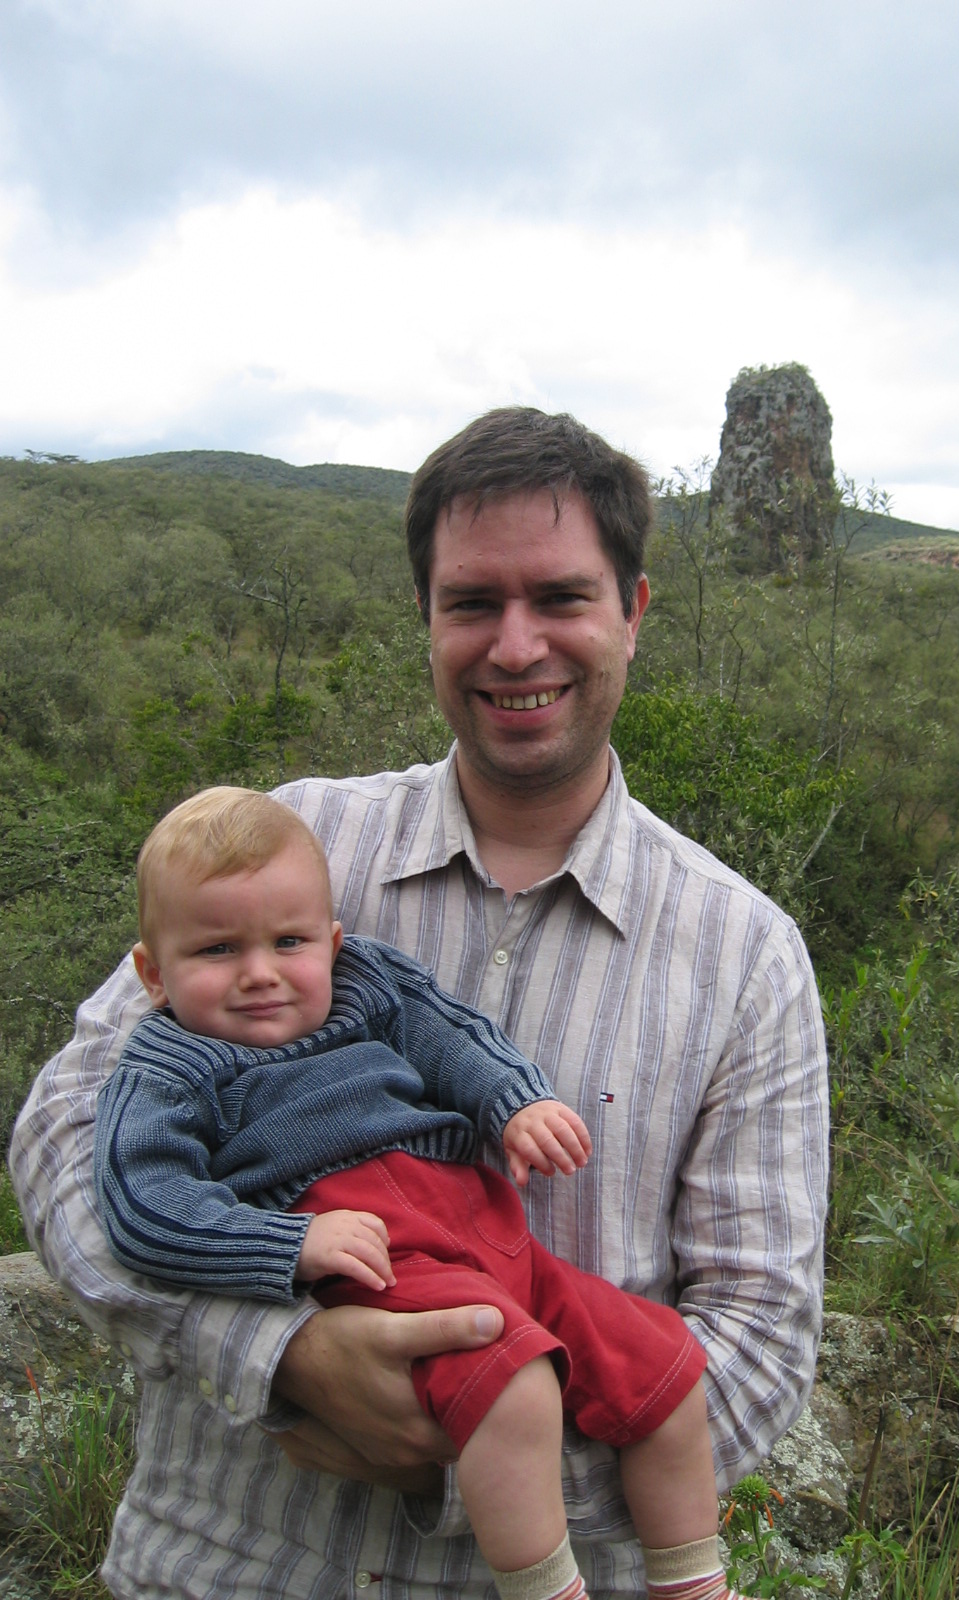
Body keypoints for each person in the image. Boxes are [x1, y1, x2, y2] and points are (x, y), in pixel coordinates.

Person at [10, 406, 829, 1600]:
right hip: (220, 1568)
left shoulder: (745, 954)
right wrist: (278, 1349)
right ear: (427, 618)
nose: (516, 645)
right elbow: (63, 1133)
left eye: (561, 597)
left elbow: (757, 1347)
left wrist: (464, 1453)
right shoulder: (284, 848)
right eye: (472, 602)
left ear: (633, 613)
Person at [96, 783, 733, 1600]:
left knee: (664, 1366)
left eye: (289, 942)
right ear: (153, 974)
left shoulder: (364, 981)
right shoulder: (168, 1067)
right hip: (386, 1262)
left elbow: (448, 1034)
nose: (260, 974)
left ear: (331, 942)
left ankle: (694, 1582)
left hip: (490, 1229)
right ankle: (546, 1590)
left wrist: (515, 1102)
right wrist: (286, 1245)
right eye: (217, 951)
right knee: (513, 1385)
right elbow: (142, 1204)